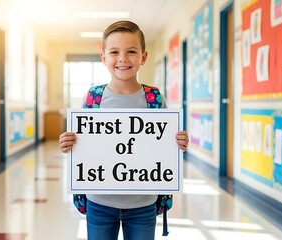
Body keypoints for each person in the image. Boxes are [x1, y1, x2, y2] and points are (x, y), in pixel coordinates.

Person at [59, 20, 189, 240]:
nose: (122, 59)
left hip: (143, 203)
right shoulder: (93, 98)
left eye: (131, 51)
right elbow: (83, 143)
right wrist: (69, 143)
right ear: (104, 58)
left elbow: (165, 145)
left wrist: (178, 143)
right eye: (114, 52)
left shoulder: (154, 99)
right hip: (99, 201)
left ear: (143, 57)